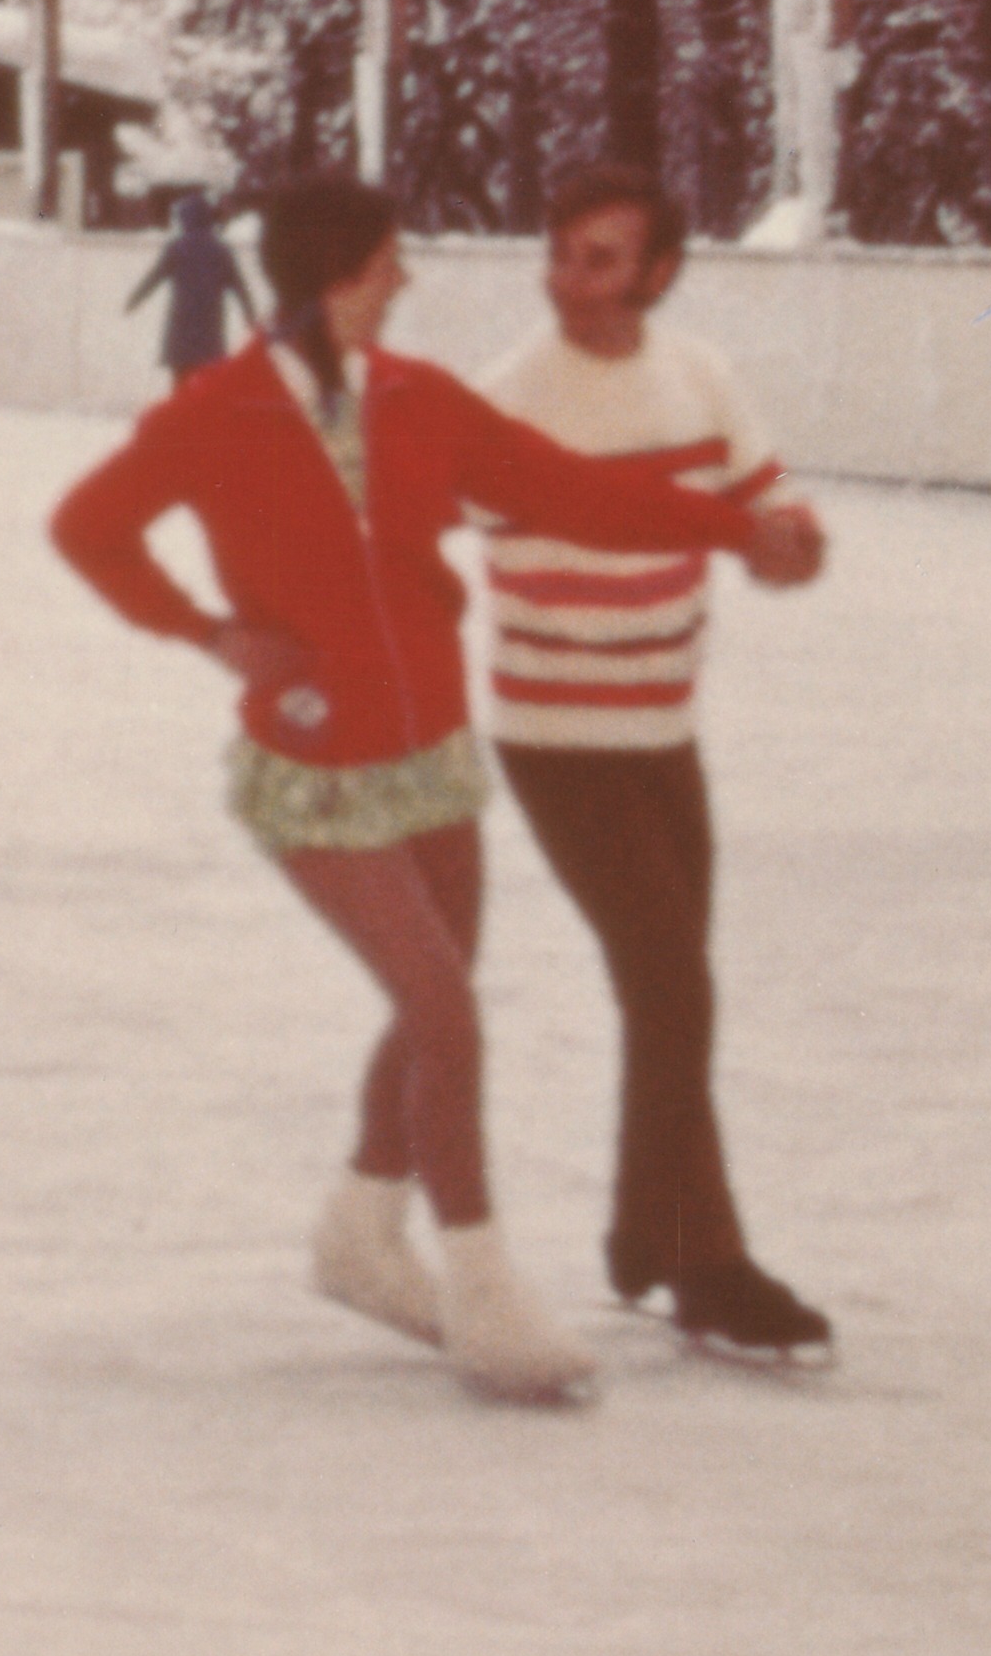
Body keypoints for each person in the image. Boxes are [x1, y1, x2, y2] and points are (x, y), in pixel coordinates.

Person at [46, 168, 789, 1408]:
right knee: (443, 1016)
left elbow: (568, 493)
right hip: (312, 763)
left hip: (433, 751)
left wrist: (728, 528)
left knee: (424, 1009)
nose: (404, 279)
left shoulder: (418, 397)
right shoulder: (216, 412)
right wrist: (209, 633)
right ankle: (484, 1288)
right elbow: (88, 525)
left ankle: (358, 1227)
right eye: (389, 260)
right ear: (338, 274)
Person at [473, 166, 835, 1362]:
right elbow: (565, 509)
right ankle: (701, 1257)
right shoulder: (516, 395)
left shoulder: (696, 376)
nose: (570, 278)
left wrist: (790, 540)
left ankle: (645, 1232)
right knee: (671, 986)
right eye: (562, 251)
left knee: (666, 988)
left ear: (657, 273)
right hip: (557, 735)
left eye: (600, 257)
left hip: (660, 729)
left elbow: (766, 497)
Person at [123, 189, 257, 384]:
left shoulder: (177, 249)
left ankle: (183, 414)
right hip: (210, 330)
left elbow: (153, 279)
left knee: (181, 387)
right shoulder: (221, 251)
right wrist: (250, 317)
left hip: (181, 330)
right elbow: (240, 288)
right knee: (210, 388)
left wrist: (134, 300)